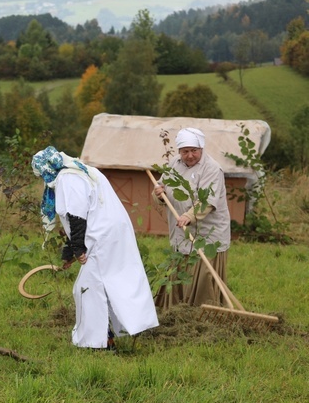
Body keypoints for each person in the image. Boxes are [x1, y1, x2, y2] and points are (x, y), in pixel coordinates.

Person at [32, 146, 159, 349]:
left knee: (86, 288)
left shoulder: (67, 178)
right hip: (114, 233)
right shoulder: (82, 170)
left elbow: (76, 216)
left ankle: (96, 341)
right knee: (114, 282)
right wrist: (70, 253)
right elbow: (79, 216)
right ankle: (117, 333)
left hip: (101, 237)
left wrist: (78, 249)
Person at [153, 127, 230, 310]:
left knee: (202, 272)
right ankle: (175, 311)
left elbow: (207, 202)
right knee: (179, 269)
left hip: (207, 233)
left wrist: (188, 216)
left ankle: (202, 313)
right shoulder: (174, 163)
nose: (189, 156)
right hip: (181, 230)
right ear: (179, 151)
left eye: (194, 151)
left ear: (201, 149)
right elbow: (161, 186)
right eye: (185, 151)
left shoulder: (212, 169)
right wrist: (158, 193)